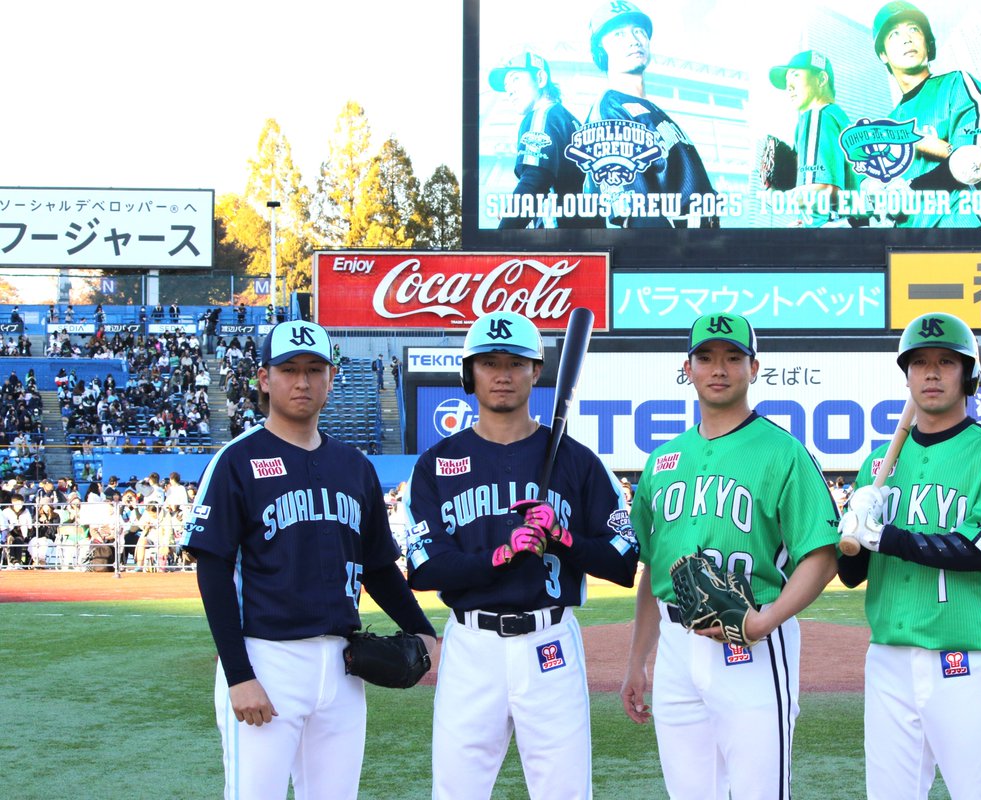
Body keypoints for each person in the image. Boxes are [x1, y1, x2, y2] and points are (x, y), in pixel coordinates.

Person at [182, 320, 436, 799]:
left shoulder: (354, 466)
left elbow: (377, 566)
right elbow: (212, 570)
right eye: (290, 369)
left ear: (331, 378)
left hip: (343, 665)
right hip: (266, 659)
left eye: (315, 369)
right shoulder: (237, 460)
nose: (302, 382)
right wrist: (240, 676)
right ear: (264, 378)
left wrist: (422, 628)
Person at [405, 310, 639, 799]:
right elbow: (423, 568)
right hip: (471, 648)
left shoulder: (577, 462)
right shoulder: (437, 464)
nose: (503, 374)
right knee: (456, 791)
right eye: (490, 363)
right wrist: (498, 556)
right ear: (470, 373)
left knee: (565, 792)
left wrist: (562, 539)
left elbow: (622, 563)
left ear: (536, 371)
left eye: (516, 362)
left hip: (548, 642)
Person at [621, 313, 839, 798]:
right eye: (706, 357)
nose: (718, 368)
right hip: (676, 650)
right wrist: (638, 660)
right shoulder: (663, 460)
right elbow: (654, 566)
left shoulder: (783, 452)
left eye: (732, 357)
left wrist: (766, 620)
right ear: (688, 368)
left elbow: (822, 558)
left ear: (754, 368)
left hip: (752, 646)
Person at [837, 311, 981, 799]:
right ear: (905, 374)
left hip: (964, 659)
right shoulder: (878, 465)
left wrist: (883, 536)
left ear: (969, 375)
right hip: (887, 659)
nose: (930, 372)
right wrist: (853, 524)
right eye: (919, 362)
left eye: (946, 362)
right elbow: (851, 574)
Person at [582, 2, 719, 228]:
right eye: (618, 34)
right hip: (675, 250)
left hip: (702, 242)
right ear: (601, 50)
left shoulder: (655, 111)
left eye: (639, 31)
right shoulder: (609, 112)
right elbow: (636, 212)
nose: (633, 39)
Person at [867, 1, 981, 227]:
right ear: (883, 54)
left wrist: (911, 187)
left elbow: (976, 161)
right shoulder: (887, 125)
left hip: (966, 234)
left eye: (914, 29)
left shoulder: (957, 84)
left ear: (927, 43)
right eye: (894, 34)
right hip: (908, 248)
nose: (906, 39)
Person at [488, 51, 595, 229]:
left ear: (540, 78)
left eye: (515, 79)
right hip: (587, 243)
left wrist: (503, 236)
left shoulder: (542, 116)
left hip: (558, 243)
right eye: (506, 85)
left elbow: (535, 180)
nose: (510, 91)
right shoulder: (568, 119)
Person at [766, 50, 859, 226]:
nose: (789, 86)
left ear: (822, 79)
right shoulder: (839, 118)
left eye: (795, 75)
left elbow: (824, 191)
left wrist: (775, 198)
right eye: (787, 80)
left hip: (831, 239)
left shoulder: (816, 115)